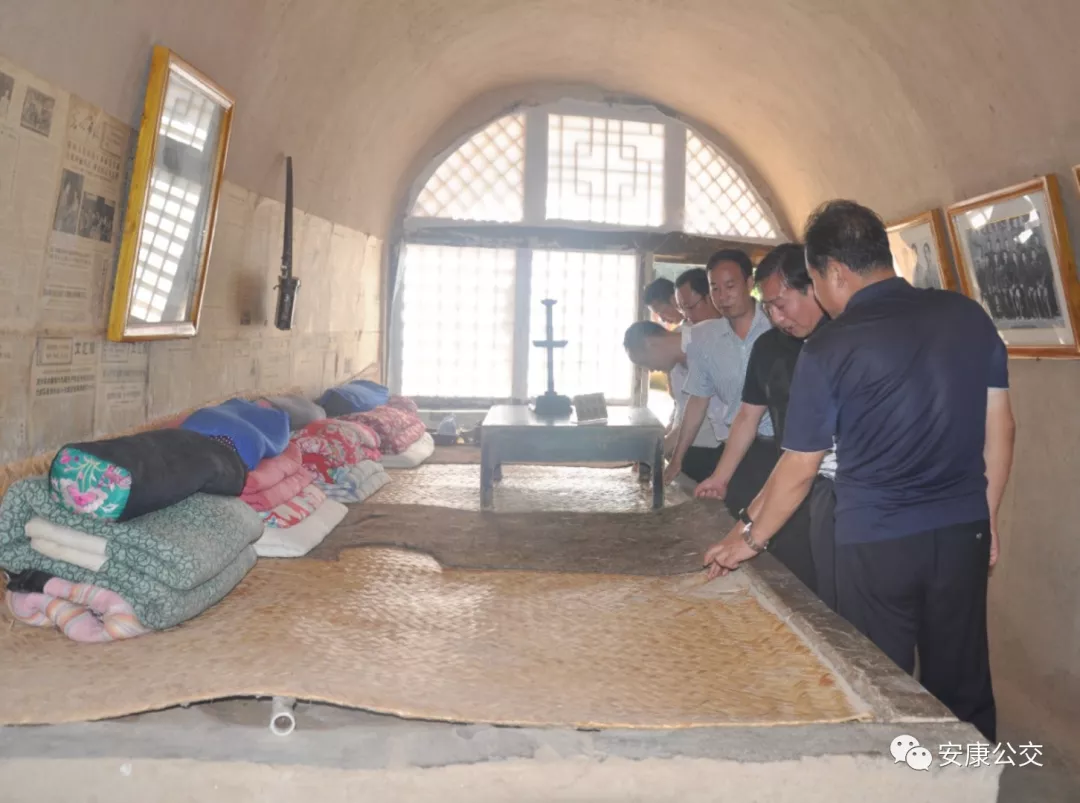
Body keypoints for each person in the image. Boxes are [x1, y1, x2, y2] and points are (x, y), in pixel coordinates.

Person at [702, 200, 1015, 743]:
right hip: (961, 531)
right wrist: (985, 517)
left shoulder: (831, 345)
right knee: (962, 679)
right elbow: (1001, 427)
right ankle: (970, 775)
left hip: (876, 539)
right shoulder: (967, 315)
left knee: (877, 681)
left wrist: (748, 539)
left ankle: (891, 775)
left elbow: (801, 465)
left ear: (834, 272)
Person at [693, 243, 825, 595]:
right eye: (769, 307)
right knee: (786, 571)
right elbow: (747, 416)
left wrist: (749, 537)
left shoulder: (836, 343)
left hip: (830, 486)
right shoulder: (768, 347)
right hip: (784, 469)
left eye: (781, 305)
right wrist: (721, 478)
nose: (777, 317)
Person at [664, 249, 775, 514]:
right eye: (715, 288)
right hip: (735, 449)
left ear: (749, 283)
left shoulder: (777, 326)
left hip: (779, 447)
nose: (723, 296)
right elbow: (697, 400)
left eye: (730, 286)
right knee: (735, 513)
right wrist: (677, 459)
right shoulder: (704, 338)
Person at [624, 320, 723, 471]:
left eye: (645, 362)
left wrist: (657, 452)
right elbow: (681, 409)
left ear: (651, 343)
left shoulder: (707, 341)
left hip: (719, 449)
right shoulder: (675, 364)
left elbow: (702, 412)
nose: (650, 369)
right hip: (689, 450)